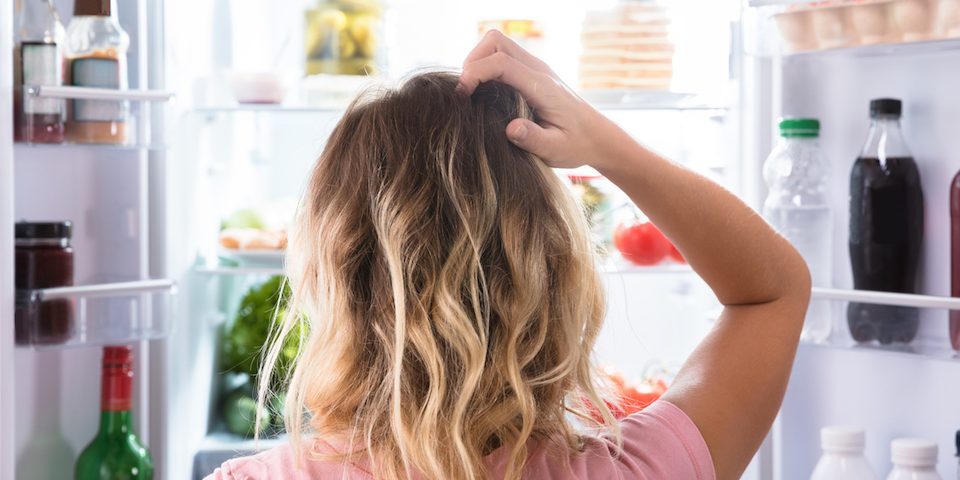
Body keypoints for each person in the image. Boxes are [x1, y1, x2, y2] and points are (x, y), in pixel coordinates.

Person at [206, 31, 810, 480]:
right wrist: (604, 144)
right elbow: (773, 291)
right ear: (554, 266)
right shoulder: (636, 471)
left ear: (331, 270)